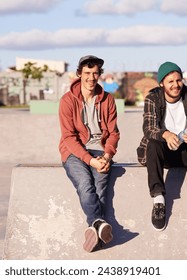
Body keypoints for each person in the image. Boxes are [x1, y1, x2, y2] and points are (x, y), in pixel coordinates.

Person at [58, 55, 120, 252]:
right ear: (79, 74)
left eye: (95, 73)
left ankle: (95, 229)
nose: (91, 78)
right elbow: (68, 137)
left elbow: (113, 133)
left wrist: (107, 156)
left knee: (100, 188)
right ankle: (98, 224)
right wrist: (90, 160)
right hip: (73, 151)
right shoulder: (67, 101)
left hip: (100, 150)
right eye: (87, 73)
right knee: (85, 184)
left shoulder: (107, 100)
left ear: (99, 75)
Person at [141, 61, 187, 231]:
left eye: (178, 80)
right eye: (170, 81)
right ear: (161, 84)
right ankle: (158, 201)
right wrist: (165, 134)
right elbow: (148, 127)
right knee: (153, 144)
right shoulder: (152, 98)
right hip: (164, 154)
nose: (176, 85)